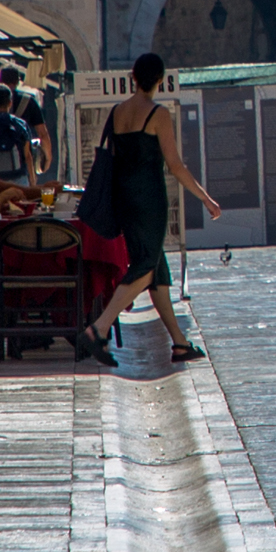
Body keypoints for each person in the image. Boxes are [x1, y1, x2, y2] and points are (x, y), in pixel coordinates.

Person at [81, 52, 225, 363]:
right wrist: (205, 197)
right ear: (160, 80)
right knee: (145, 267)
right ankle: (98, 329)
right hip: (149, 200)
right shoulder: (158, 114)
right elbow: (175, 165)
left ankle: (180, 343)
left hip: (124, 197)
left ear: (133, 78)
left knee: (155, 268)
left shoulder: (118, 111)